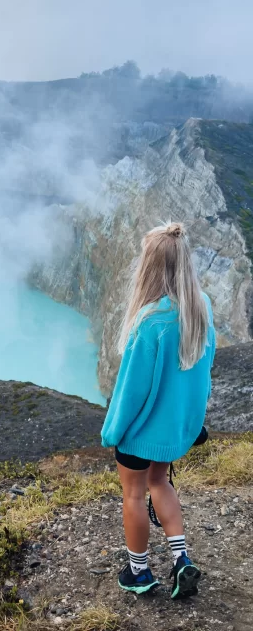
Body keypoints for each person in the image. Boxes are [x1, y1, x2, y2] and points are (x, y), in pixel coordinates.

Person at [101, 221, 216, 599]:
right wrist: (192, 423)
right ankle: (182, 559)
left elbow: (130, 391)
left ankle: (139, 572)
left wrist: (113, 432)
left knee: (133, 495)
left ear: (149, 265)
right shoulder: (202, 310)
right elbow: (202, 373)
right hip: (173, 432)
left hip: (141, 433)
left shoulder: (150, 323)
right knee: (159, 482)